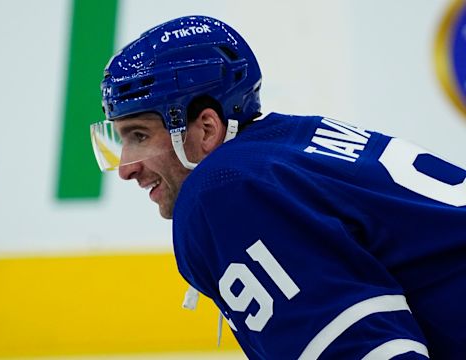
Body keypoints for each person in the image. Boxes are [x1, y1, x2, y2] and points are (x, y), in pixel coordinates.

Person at [90, 15, 466, 359]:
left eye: (139, 135)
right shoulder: (287, 146)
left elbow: (370, 352)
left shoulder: (222, 189)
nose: (126, 168)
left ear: (206, 128)